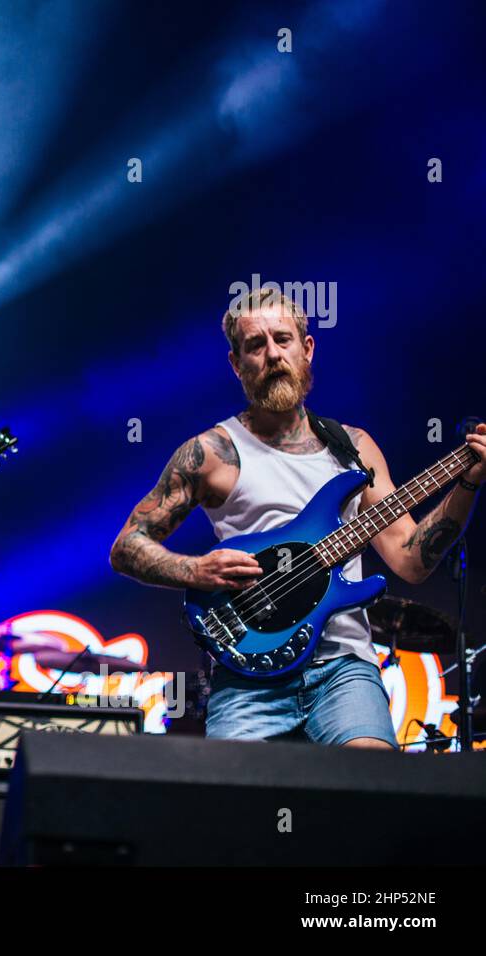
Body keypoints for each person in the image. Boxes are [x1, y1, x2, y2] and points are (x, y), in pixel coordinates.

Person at [109, 287, 483, 747]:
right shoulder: (211, 453)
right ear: (235, 363)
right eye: (255, 345)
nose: (272, 354)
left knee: (374, 790)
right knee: (232, 805)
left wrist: (468, 480)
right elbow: (127, 546)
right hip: (246, 672)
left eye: (283, 339)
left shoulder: (354, 448)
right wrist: (196, 569)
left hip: (344, 667)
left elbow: (411, 560)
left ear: (306, 350)